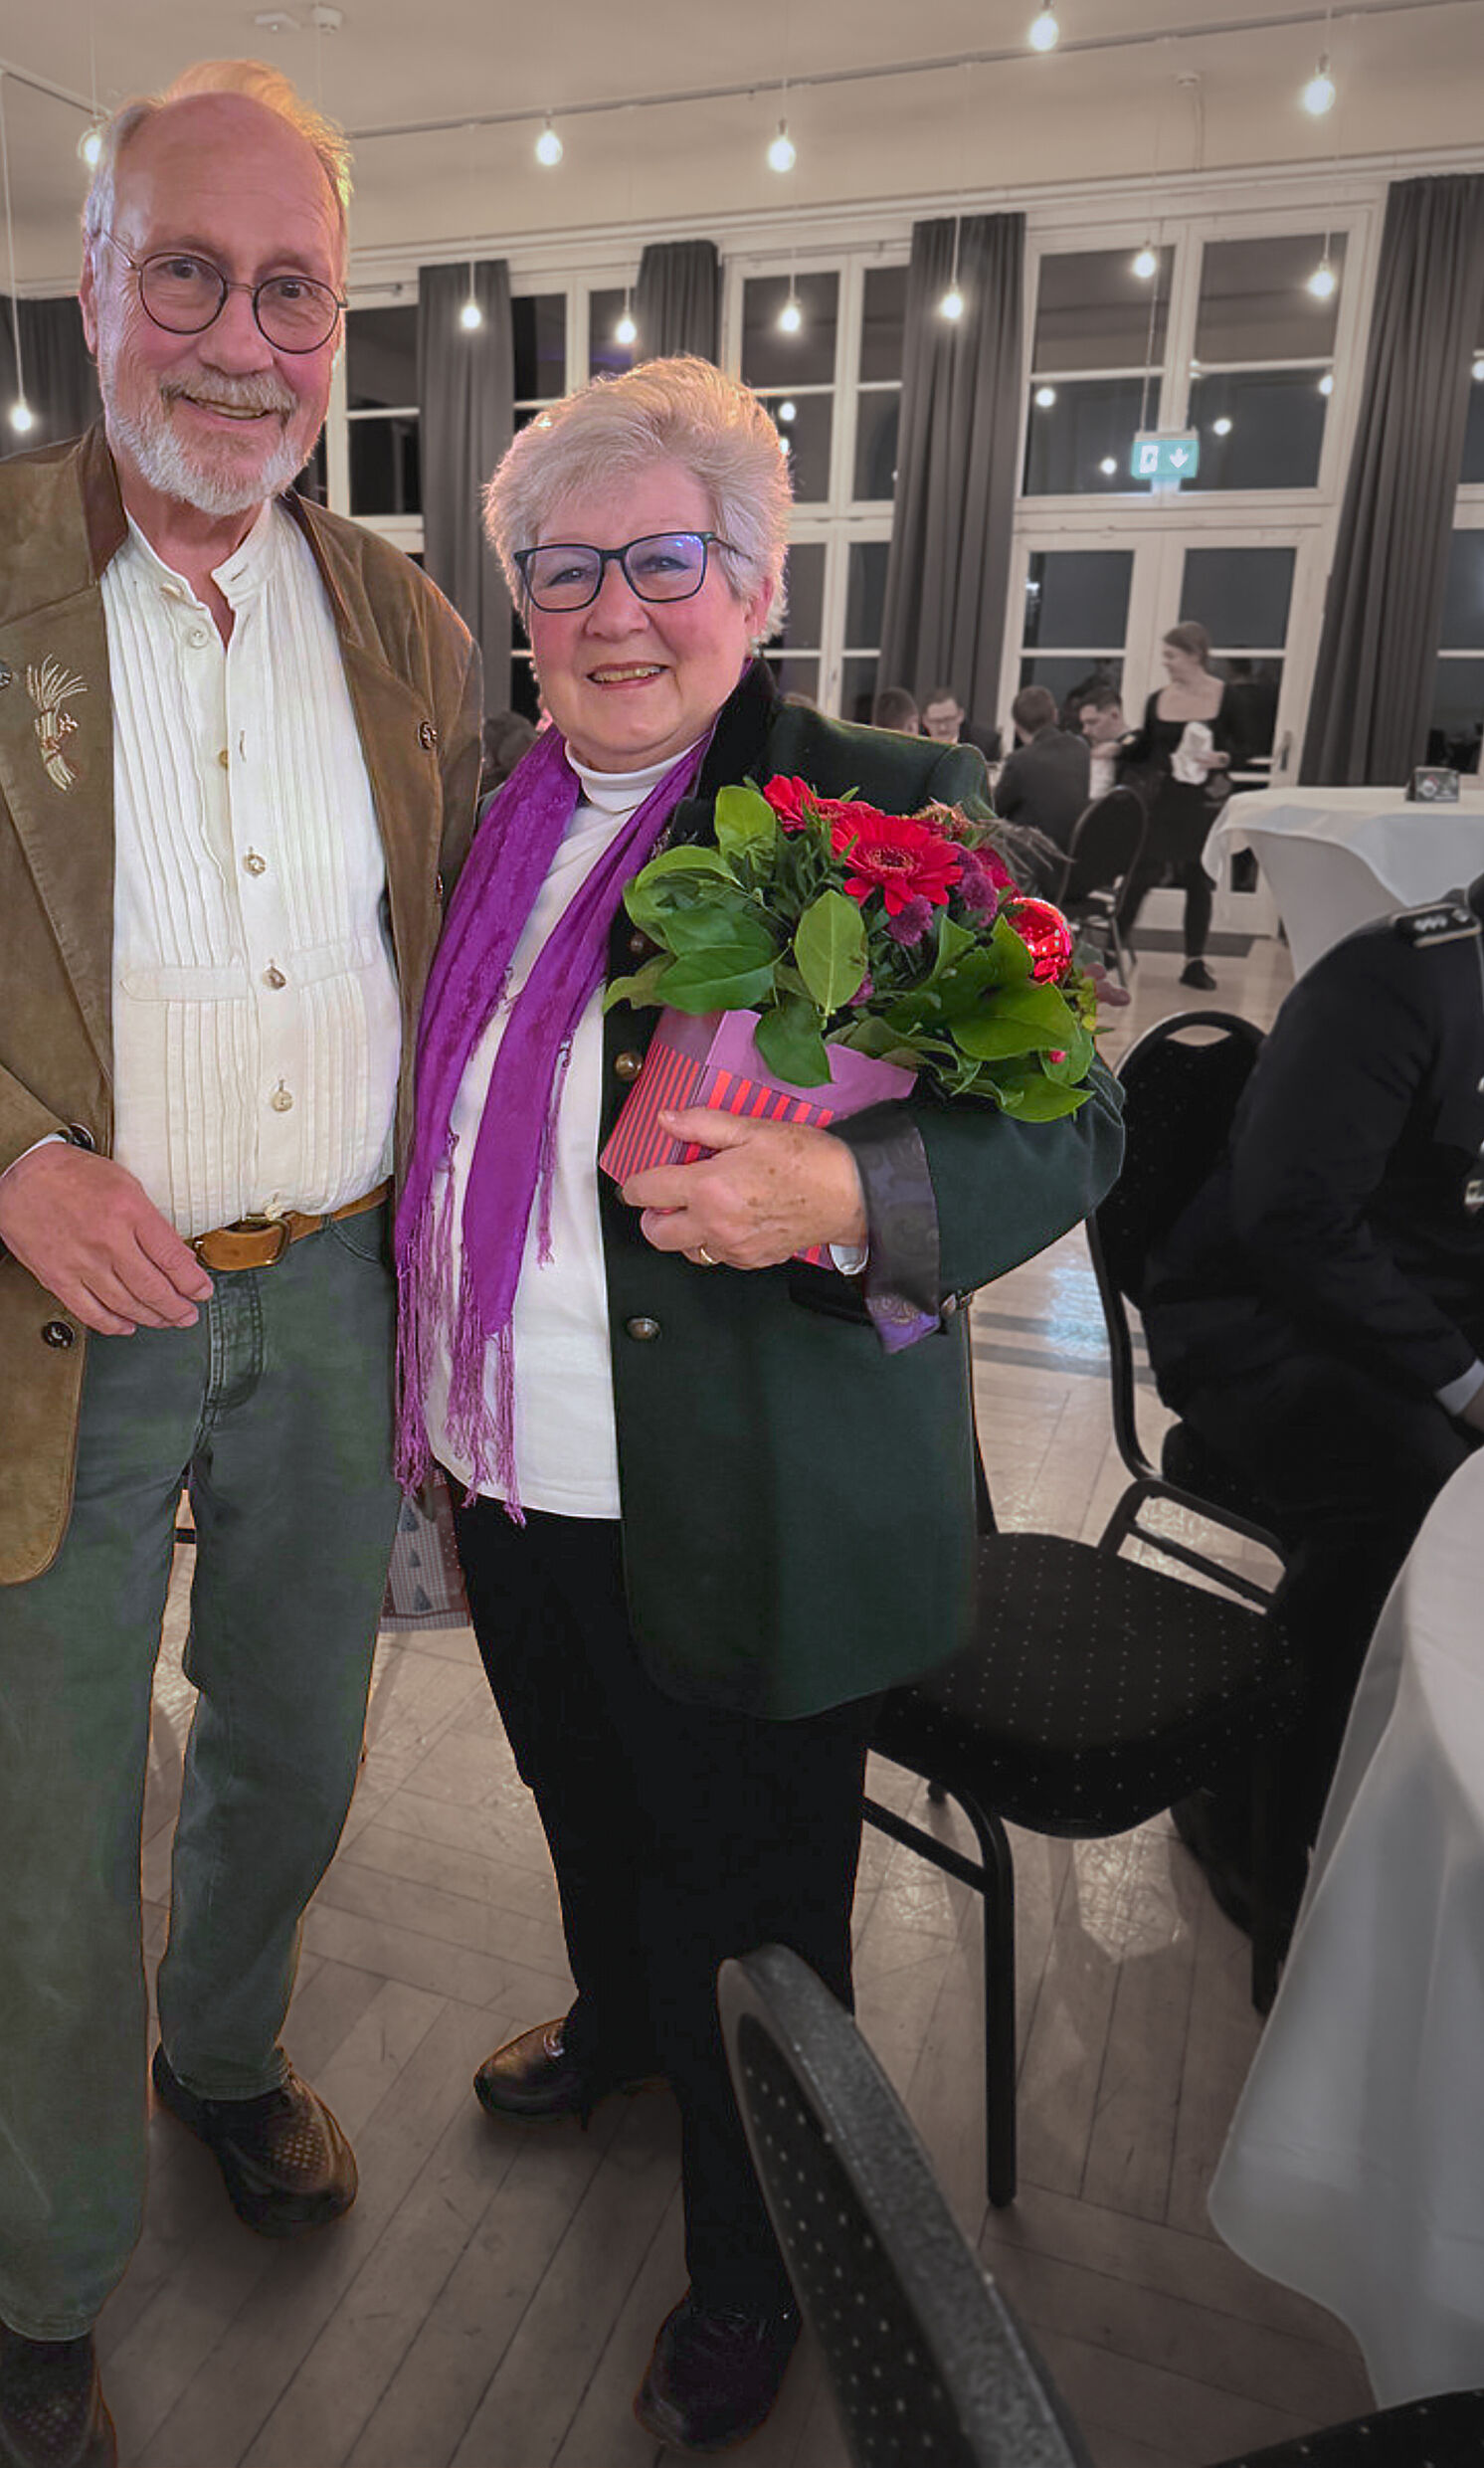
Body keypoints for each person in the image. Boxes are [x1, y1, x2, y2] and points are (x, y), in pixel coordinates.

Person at [0, 58, 480, 2468]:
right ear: (90, 277)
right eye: (191, 271)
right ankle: (37, 2281)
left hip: (334, 1281)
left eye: (292, 292)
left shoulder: (402, 618)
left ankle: (227, 2045)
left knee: (292, 1736)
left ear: (336, 327)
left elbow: (445, 955)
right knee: (52, 1822)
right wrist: (6, 1157)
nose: (239, 339)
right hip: (53, 1303)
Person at [392, 358, 1124, 2454]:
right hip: (519, 1475)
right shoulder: (488, 823)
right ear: (517, 594)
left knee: (759, 1910)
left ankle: (756, 2257)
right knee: (584, 1809)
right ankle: (623, 2030)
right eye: (563, 570)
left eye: (665, 561)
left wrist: (852, 1187)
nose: (613, 612)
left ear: (761, 578)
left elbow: (1078, 1130)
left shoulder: (887, 809)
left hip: (756, 1505)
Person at [1141, 878, 1484, 1925]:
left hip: (1407, 1320)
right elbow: (1293, 1222)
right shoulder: (1397, 980)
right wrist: (1466, 1385)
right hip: (1258, 1323)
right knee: (1410, 1499)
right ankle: (1249, 1814)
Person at [1111, 621, 1257, 992]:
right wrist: (1118, 744)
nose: (1167, 663)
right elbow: (1146, 747)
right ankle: (1112, 946)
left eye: (1171, 656)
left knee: (1197, 878)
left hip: (1202, 801)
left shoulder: (1227, 698)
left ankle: (1194, 961)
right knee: (1141, 872)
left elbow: (1247, 748)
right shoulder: (1158, 699)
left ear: (1195, 656)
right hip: (1161, 798)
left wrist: (1222, 759)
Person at [994, 682, 1091, 854]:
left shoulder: (1020, 761)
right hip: (1075, 855)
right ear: (1055, 715)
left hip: (1034, 860)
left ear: (1017, 726)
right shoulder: (1080, 749)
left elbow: (993, 810)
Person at [919, 681, 1001, 763]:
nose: (942, 728)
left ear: (960, 716)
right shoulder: (915, 744)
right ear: (925, 721)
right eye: (936, 721)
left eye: (948, 719)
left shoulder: (985, 744)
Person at [1075, 684, 1129, 799]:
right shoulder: (1093, 753)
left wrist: (1121, 747)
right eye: (1083, 724)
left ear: (1115, 715)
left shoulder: (1142, 748)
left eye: (1092, 722)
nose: (1085, 731)